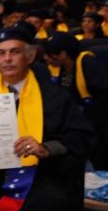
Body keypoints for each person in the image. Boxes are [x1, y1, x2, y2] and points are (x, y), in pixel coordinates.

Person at [0, 27, 94, 211]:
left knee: (50, 204)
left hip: (39, 176)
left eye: (14, 52)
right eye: (1, 53)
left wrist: (46, 148)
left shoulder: (55, 96)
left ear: (30, 56)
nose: (7, 59)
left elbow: (83, 138)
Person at [44, 32, 108, 169]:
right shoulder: (59, 69)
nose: (46, 58)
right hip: (76, 119)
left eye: (49, 54)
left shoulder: (87, 62)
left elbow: (103, 98)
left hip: (97, 120)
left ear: (62, 54)